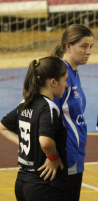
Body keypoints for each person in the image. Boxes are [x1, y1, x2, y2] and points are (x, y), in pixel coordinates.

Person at [0, 57, 68, 201]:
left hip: (22, 181)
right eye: (65, 80)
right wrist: (53, 157)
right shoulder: (48, 107)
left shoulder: (25, 103)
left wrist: (24, 143)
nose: (66, 85)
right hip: (43, 184)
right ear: (53, 82)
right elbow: (45, 141)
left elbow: (2, 127)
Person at [51, 24, 94, 201]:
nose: (89, 51)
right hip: (64, 157)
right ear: (68, 46)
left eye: (91, 47)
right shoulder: (60, 75)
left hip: (75, 154)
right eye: (84, 46)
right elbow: (48, 117)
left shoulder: (72, 72)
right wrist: (50, 155)